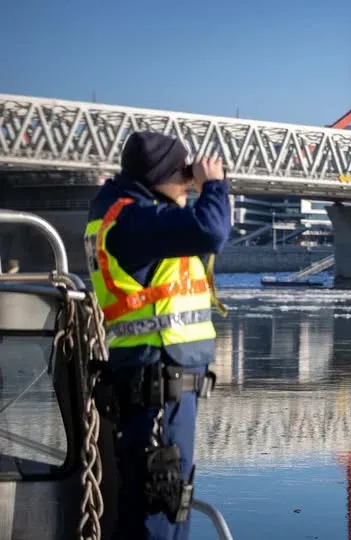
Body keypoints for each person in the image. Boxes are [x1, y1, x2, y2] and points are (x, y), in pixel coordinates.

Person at [83, 130, 231, 540]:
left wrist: (196, 192)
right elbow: (212, 230)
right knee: (160, 502)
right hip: (157, 386)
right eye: (181, 173)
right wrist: (213, 186)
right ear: (156, 178)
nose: (187, 181)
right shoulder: (135, 222)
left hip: (158, 382)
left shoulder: (129, 216)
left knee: (160, 499)